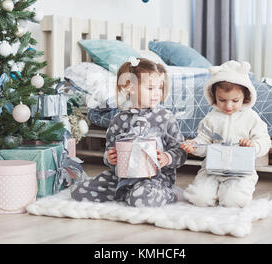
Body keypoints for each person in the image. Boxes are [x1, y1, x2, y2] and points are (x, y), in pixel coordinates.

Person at [71, 57, 187, 207]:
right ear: (130, 87)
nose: (157, 93)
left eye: (160, 87)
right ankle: (126, 193)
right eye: (151, 88)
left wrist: (167, 157)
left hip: (155, 178)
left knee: (143, 197)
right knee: (79, 191)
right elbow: (110, 150)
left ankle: (170, 194)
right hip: (122, 177)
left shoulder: (165, 117)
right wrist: (110, 158)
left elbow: (180, 151)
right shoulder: (119, 119)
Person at [181, 60, 271, 208]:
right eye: (222, 100)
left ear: (245, 97)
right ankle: (214, 191)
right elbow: (203, 141)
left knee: (233, 201)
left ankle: (227, 192)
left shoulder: (251, 117)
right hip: (211, 169)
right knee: (199, 198)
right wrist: (195, 147)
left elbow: (264, 140)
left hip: (240, 171)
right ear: (213, 96)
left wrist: (254, 145)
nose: (228, 106)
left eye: (235, 100)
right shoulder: (210, 118)